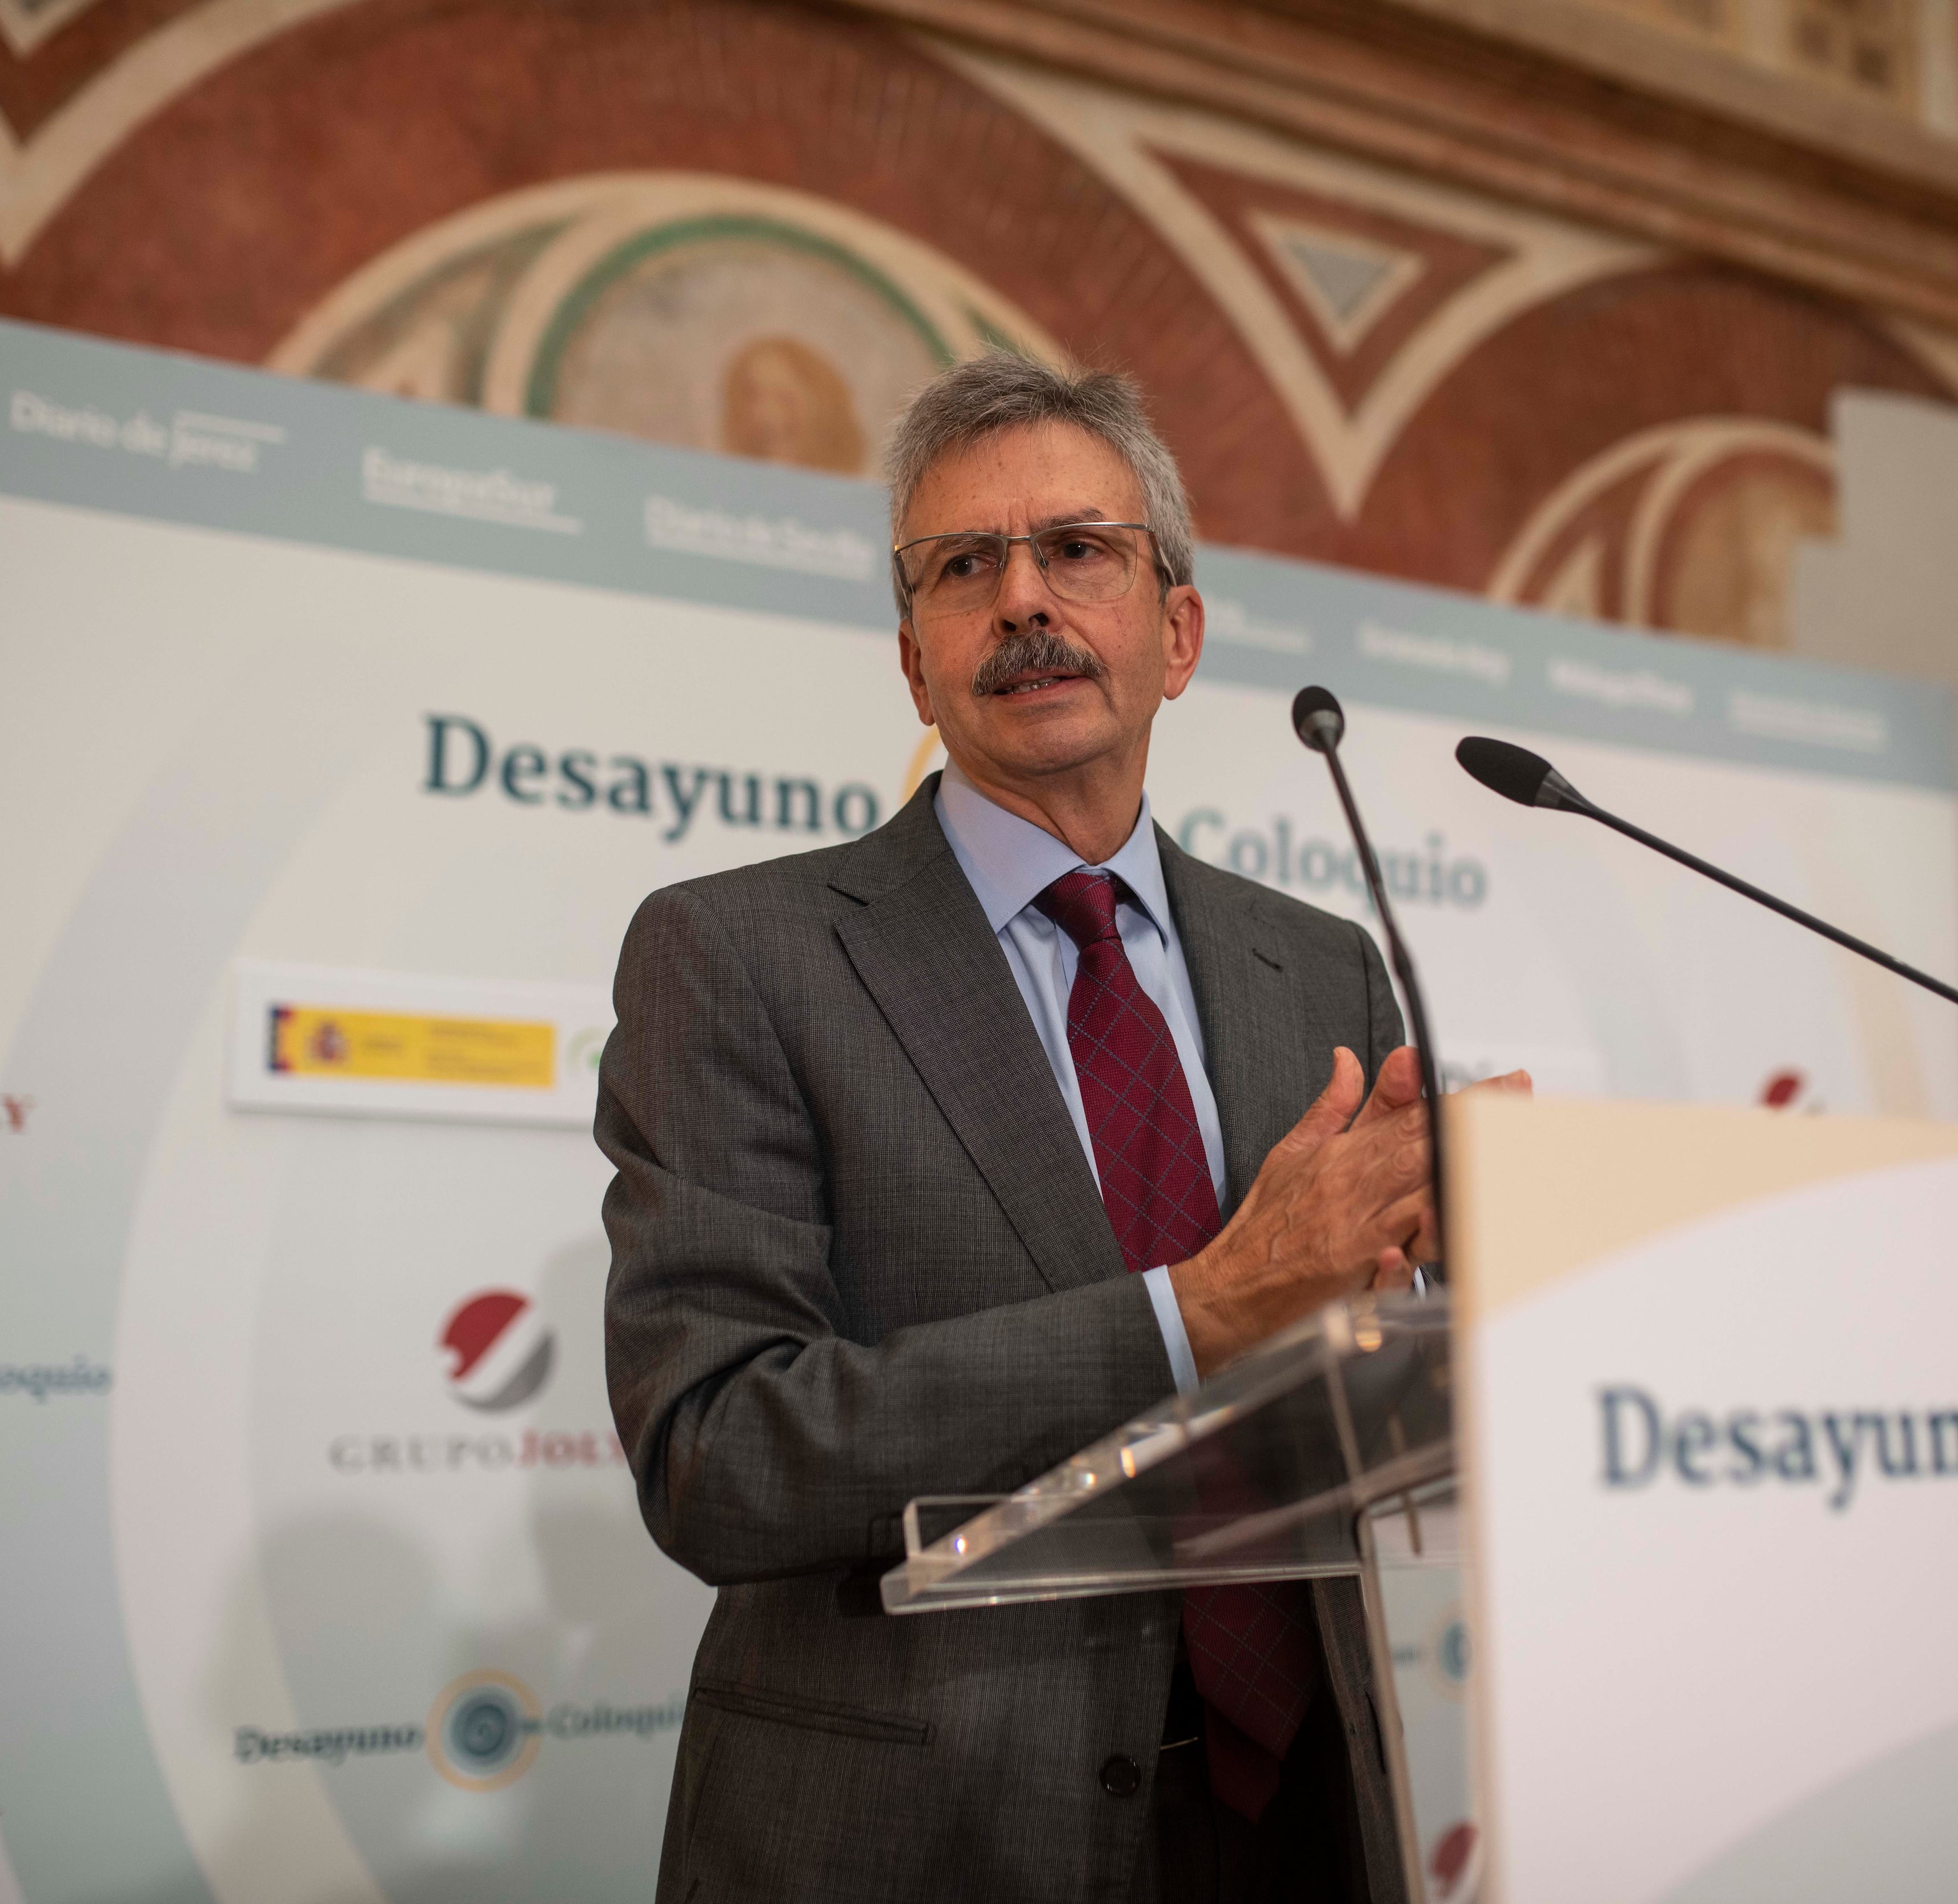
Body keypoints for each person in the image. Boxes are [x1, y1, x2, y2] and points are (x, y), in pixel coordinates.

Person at [599, 353, 1515, 1902]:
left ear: (1179, 627)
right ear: (913, 657)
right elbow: (721, 1455)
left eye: (1077, 550)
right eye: (966, 566)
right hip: (923, 1837)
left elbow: (1360, 1391)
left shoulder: (1322, 969)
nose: (1023, 600)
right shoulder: (743, 957)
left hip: (1300, 1821)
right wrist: (1196, 1313)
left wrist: (1468, 1287)